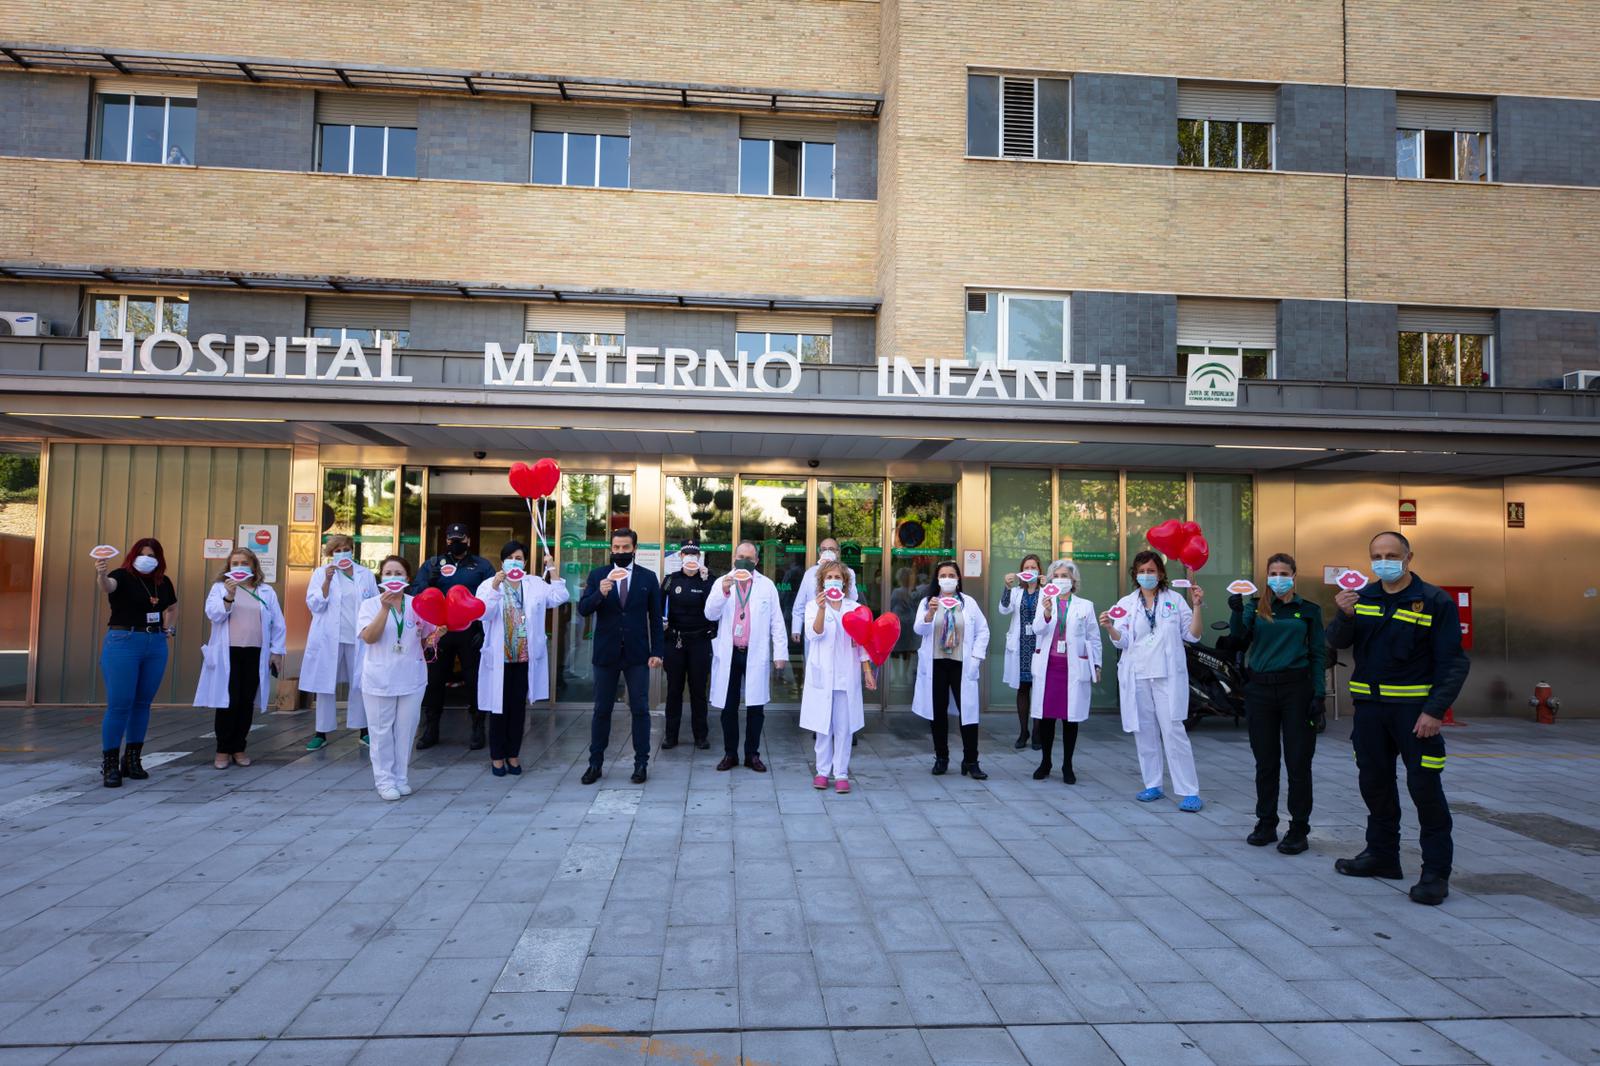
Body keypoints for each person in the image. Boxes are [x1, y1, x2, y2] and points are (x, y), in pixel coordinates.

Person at [1327, 531, 1469, 906]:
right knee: (1375, 785)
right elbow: (1336, 642)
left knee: (1425, 792)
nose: (1383, 560)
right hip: (1370, 713)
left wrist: (1434, 711)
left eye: (1391, 554)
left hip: (1415, 715)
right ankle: (1382, 856)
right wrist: (1343, 615)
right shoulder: (1364, 598)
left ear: (1409, 557)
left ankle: (1435, 873)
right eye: (1376, 555)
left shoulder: (1434, 600)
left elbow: (1453, 661)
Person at [1229, 553, 1325, 855]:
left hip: (1296, 689)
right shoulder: (1257, 607)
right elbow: (1239, 640)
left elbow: (1318, 654)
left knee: (1298, 761)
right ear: (1266, 575)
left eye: (1285, 573)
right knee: (1265, 761)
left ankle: (1298, 828)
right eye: (1274, 573)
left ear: (1294, 576)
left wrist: (1319, 694)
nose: (1279, 578)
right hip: (1260, 690)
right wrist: (1236, 612)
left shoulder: (1308, 610)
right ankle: (1266, 822)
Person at [1102, 550, 1205, 811]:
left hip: (1166, 676)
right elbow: (1123, 641)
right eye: (1142, 571)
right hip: (1137, 674)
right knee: (1144, 731)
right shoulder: (1126, 603)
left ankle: (1189, 790)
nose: (1147, 575)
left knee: (1174, 731)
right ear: (1135, 575)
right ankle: (1153, 784)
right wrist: (1110, 627)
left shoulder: (1174, 601)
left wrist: (1196, 606)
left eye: (1151, 570)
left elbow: (1192, 636)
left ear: (1161, 573)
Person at [577, 529, 663, 785]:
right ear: (611, 549)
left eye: (626, 548)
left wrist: (657, 651)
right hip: (606, 654)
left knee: (640, 709)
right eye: (617, 547)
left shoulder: (648, 577)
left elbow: (655, 619)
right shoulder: (598, 575)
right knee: (601, 710)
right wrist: (599, 593)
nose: (621, 552)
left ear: (634, 548)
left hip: (637, 655)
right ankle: (595, 763)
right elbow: (583, 609)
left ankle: (641, 764)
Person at [476, 540, 569, 776]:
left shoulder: (535, 583)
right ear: (502, 560)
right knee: (498, 709)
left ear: (526, 562)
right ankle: (497, 757)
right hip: (499, 660)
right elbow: (483, 614)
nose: (515, 561)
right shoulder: (489, 584)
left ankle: (513, 755)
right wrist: (496, 588)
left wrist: (552, 569)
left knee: (517, 709)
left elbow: (560, 596)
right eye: (511, 557)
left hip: (524, 659)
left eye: (519, 558)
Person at [95, 538, 177, 788]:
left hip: (154, 643)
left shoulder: (162, 582)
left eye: (152, 554)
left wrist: (168, 628)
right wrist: (101, 574)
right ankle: (109, 764)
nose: (147, 558)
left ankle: (132, 759)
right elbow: (108, 587)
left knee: (142, 704)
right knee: (120, 704)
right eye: (142, 553)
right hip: (123, 640)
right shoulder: (122, 575)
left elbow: (172, 607)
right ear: (133, 555)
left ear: (159, 558)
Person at [194, 548, 286, 770]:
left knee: (246, 702)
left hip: (255, 653)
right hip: (229, 653)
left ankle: (239, 747)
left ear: (253, 566)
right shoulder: (219, 589)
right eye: (234, 563)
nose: (239, 566)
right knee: (228, 702)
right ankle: (222, 749)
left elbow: (278, 623)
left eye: (244, 562)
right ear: (228, 566)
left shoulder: (265, 591)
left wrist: (276, 651)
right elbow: (214, 615)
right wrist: (229, 596)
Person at [359, 555, 441, 800]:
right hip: (379, 678)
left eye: (398, 574)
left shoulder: (417, 604)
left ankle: (401, 777)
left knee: (406, 730)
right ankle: (384, 781)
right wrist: (385, 609)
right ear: (381, 577)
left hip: (412, 677)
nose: (393, 578)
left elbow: (426, 638)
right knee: (381, 731)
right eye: (388, 573)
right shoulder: (371, 605)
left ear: (407, 578)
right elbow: (369, 637)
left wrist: (438, 633)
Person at [410, 522, 497, 751]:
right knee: (435, 680)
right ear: (446, 540)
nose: (455, 543)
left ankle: (478, 727)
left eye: (460, 539)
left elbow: (491, 596)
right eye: (451, 539)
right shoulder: (432, 564)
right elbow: (415, 593)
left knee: (473, 681)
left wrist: (481, 628)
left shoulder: (481, 566)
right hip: (439, 630)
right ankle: (431, 729)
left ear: (468, 540)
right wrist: (430, 581)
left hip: (470, 631)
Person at [706, 541, 788, 772]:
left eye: (749, 558)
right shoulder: (722, 582)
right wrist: (723, 590)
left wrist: (780, 653)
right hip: (730, 653)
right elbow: (709, 613)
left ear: (756, 561)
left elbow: (777, 621)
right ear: (734, 558)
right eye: (740, 556)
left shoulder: (767, 585)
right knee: (728, 706)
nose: (744, 561)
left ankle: (752, 754)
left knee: (756, 707)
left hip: (754, 653)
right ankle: (730, 753)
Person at [911, 559, 991, 779]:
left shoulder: (968, 603)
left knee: (968, 711)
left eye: (951, 575)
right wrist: (929, 614)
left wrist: (976, 657)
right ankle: (941, 757)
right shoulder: (928, 602)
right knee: (937, 712)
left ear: (958, 579)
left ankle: (971, 760)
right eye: (943, 575)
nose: (947, 579)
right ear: (937, 579)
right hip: (936, 663)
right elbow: (919, 629)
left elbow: (983, 631)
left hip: (961, 663)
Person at [801, 560, 875, 793]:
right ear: (822, 581)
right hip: (822, 674)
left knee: (844, 727)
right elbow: (815, 634)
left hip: (847, 673)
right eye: (829, 577)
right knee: (823, 727)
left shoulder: (854, 608)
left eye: (837, 577)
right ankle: (822, 772)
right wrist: (823, 609)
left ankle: (841, 773)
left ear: (845, 581)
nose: (833, 580)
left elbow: (862, 642)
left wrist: (867, 671)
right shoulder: (814, 606)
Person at [1028, 559, 1101, 783]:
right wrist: (1048, 613)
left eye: (1065, 576)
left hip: (1073, 667)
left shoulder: (1085, 606)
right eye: (1057, 576)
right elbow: (1037, 629)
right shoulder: (1044, 601)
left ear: (1073, 580)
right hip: (1049, 667)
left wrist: (1096, 665)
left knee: (1071, 719)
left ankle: (1067, 765)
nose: (1061, 580)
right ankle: (1046, 761)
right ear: (1051, 580)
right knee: (1047, 718)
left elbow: (1094, 638)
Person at [300, 534, 376, 751]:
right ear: (330, 554)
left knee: (360, 683)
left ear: (352, 550)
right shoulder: (321, 574)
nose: (342, 552)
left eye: (346, 548)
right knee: (325, 685)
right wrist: (327, 581)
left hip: (358, 637)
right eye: (337, 549)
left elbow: (372, 604)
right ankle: (321, 733)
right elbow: (315, 605)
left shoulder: (365, 574)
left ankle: (363, 730)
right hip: (329, 638)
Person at [662, 542, 715, 750]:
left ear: (699, 556)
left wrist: (706, 579)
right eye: (687, 553)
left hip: (699, 641)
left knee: (698, 691)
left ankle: (701, 736)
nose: (691, 557)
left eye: (695, 554)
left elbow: (717, 605)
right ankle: (670, 736)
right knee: (674, 690)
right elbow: (658, 608)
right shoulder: (670, 580)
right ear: (681, 555)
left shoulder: (709, 580)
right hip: (675, 641)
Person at [998, 553, 1045, 750]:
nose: (1030, 571)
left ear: (1039, 571)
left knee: (1039, 689)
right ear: (1021, 571)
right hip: (1021, 645)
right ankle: (1023, 731)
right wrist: (1007, 587)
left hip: (1039, 644)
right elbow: (1004, 609)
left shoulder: (1046, 591)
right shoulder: (1017, 592)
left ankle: (1037, 732)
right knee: (1023, 688)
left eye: (1033, 568)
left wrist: (1049, 586)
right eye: (1026, 568)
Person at [790, 537, 859, 642]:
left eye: (831, 549)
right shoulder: (810, 573)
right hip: (815, 625)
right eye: (824, 549)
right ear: (819, 553)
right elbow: (800, 603)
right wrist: (796, 628)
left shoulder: (848, 572)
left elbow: (853, 599)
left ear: (838, 553)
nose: (827, 552)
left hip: (840, 626)